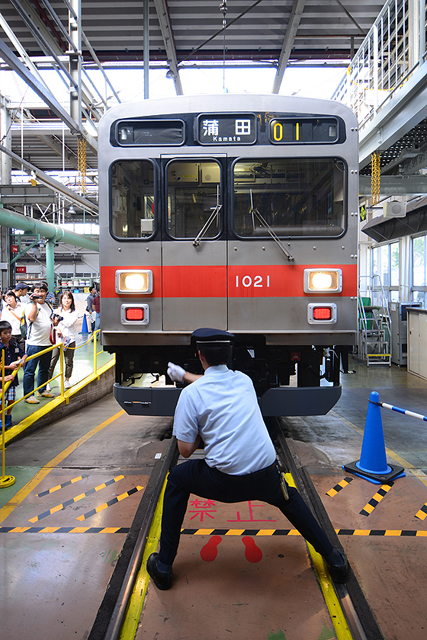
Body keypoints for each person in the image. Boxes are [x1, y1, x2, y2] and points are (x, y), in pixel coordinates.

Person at [147, 328, 349, 591]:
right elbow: (215, 382)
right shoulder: (244, 380)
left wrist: (201, 427)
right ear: (230, 355)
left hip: (224, 483)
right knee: (289, 497)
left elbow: (185, 450)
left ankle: (163, 566)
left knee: (176, 480)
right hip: (266, 475)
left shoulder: (191, 395)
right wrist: (187, 377)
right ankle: (335, 560)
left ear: (200, 355)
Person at [23, 282, 60, 404]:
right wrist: (34, 302)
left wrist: (55, 323)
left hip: (47, 343)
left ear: (46, 293)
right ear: (33, 293)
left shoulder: (48, 305)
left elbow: (49, 321)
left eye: (42, 291)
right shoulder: (30, 305)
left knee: (44, 369)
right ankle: (28, 395)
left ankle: (42, 389)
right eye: (37, 291)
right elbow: (31, 318)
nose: (40, 294)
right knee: (30, 370)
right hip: (34, 343)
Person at [47, 291, 79, 390]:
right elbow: (52, 323)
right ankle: (47, 381)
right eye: (64, 298)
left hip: (70, 339)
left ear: (72, 300)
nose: (66, 300)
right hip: (58, 340)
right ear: (61, 299)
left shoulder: (75, 312)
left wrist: (60, 317)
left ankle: (67, 380)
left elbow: (69, 323)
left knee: (69, 361)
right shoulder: (57, 311)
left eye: (68, 298)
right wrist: (57, 329)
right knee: (52, 361)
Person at [0, 320, 27, 429]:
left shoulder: (14, 344)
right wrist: (9, 367)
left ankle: (8, 416)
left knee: (11, 398)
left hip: (11, 378)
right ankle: (1, 420)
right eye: (5, 333)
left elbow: (23, 354)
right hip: (3, 377)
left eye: (9, 332)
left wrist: (22, 360)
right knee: (1, 400)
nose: (8, 335)